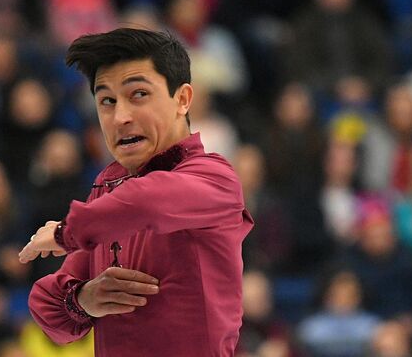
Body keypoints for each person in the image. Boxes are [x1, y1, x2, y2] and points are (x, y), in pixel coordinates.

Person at [18, 28, 254, 357]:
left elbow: (148, 201)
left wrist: (65, 233)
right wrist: (84, 299)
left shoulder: (214, 177)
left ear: (183, 100)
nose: (120, 118)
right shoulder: (107, 187)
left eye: (138, 95)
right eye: (106, 102)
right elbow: (47, 307)